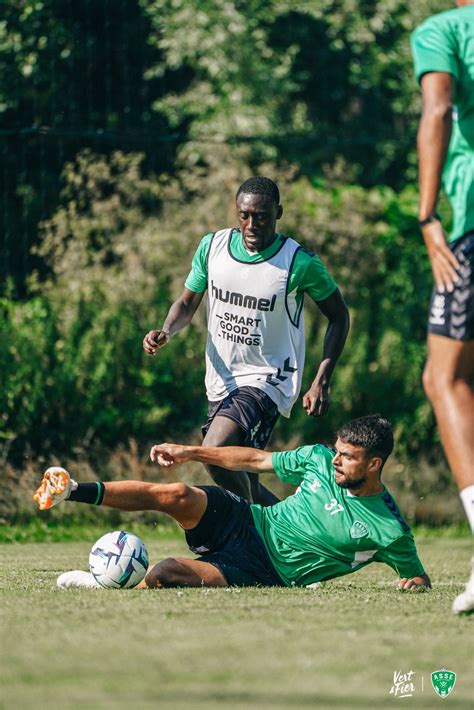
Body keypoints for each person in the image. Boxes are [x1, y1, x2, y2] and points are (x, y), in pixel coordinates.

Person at [34, 414, 431, 592]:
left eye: (348, 456)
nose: (336, 460)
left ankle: (99, 582)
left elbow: (417, 576)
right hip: (250, 520)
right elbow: (255, 460)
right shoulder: (318, 459)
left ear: (375, 463)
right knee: (176, 494)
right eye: (337, 450)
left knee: (166, 573)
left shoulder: (390, 530)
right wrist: (190, 452)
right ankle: (71, 489)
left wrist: (413, 583)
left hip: (263, 570)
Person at [142, 176, 349, 506]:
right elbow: (187, 302)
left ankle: (257, 535)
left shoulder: (298, 263)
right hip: (221, 381)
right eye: (245, 215)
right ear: (237, 212)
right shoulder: (213, 248)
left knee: (214, 453)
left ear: (278, 213)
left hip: (268, 380)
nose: (252, 224)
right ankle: (289, 528)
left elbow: (339, 316)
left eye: (262, 216)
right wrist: (166, 330)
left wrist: (321, 380)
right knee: (239, 474)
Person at [411, 1, 474, 614]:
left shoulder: (445, 31)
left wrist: (428, 215)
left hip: (471, 228)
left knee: (444, 375)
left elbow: (439, 109)